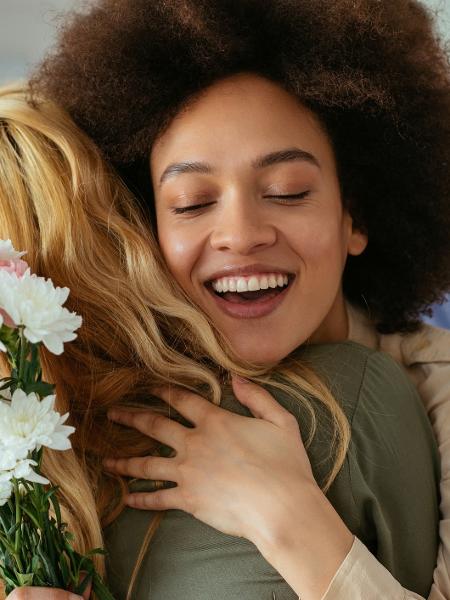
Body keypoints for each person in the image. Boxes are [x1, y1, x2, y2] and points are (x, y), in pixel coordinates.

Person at [0, 0, 449, 597]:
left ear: (356, 217)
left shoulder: (431, 389)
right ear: (146, 234)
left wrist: (279, 510)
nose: (241, 234)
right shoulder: (114, 415)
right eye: (190, 203)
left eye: (288, 192)